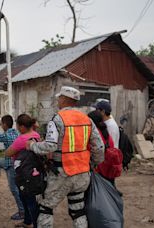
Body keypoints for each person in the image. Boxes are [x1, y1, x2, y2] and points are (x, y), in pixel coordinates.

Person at [26, 86, 105, 228]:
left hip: (62, 173)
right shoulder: (87, 119)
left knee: (46, 208)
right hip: (82, 174)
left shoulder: (57, 119)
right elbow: (99, 147)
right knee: (78, 210)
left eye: (59, 98)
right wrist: (93, 164)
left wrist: (32, 145)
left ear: (63, 99)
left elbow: (50, 146)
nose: (57, 101)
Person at [6, 114, 41, 228]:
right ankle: (27, 221)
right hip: (35, 170)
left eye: (17, 126)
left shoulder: (22, 139)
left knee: (29, 200)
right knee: (25, 197)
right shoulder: (36, 135)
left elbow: (8, 153)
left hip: (24, 172)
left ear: (22, 127)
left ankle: (36, 224)